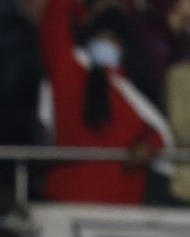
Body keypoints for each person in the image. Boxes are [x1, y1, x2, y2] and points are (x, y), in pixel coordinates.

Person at [40, 0, 172, 204]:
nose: (105, 44)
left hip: (118, 216)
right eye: (100, 37)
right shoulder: (70, 71)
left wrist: (148, 147)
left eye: (113, 40)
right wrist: (81, 8)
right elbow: (54, 18)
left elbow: (159, 135)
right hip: (65, 207)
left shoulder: (133, 92)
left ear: (124, 48)